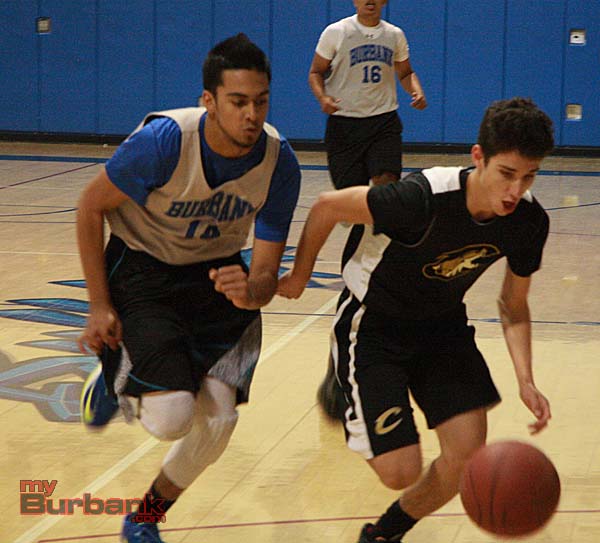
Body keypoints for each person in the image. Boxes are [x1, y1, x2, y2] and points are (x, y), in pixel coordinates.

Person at [278, 97, 554, 542]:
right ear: (478, 157)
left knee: (465, 458)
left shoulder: (527, 221)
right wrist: (298, 276)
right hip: (374, 324)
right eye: (506, 174)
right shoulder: (419, 198)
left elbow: (513, 305)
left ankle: (384, 534)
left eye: (528, 177)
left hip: (442, 326)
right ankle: (341, 383)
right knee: (399, 471)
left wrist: (526, 379)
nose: (513, 191)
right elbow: (328, 205)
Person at [76, 33, 301, 543]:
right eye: (238, 102)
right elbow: (91, 206)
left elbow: (265, 275)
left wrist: (253, 290)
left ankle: (145, 517)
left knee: (220, 421)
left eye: (260, 102)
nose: (251, 115)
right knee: (173, 418)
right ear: (209, 101)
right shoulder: (165, 142)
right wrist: (97, 304)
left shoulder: (278, 163)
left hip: (214, 275)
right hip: (143, 271)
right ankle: (119, 373)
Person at [309, 0, 427, 190]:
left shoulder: (394, 34)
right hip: (344, 124)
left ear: (384, 2)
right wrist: (323, 98)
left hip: (383, 121)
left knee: (387, 186)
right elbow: (316, 72)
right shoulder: (337, 32)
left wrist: (416, 90)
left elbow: (405, 73)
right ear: (355, 1)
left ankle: (382, 218)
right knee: (351, 199)